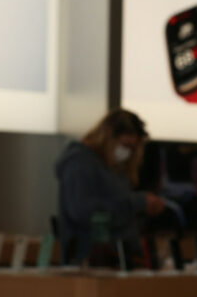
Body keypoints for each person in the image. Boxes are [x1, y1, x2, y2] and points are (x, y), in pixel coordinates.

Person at [55, 108, 165, 264]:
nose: (128, 152)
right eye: (125, 145)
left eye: (133, 148)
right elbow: (84, 212)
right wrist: (137, 203)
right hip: (90, 264)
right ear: (107, 138)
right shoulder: (79, 163)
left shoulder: (114, 166)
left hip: (118, 261)